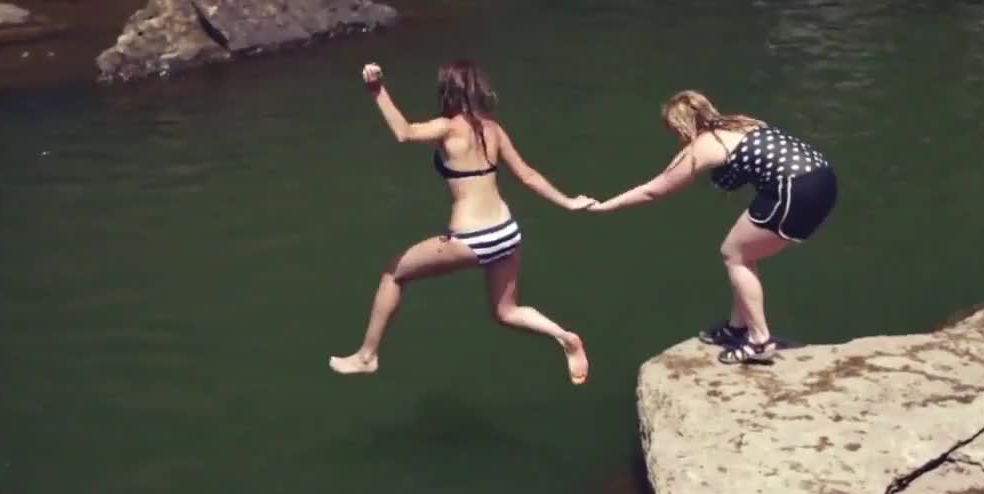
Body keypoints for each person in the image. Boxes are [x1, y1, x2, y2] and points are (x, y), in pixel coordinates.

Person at [329, 60, 595, 384]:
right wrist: (567, 201)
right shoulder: (493, 129)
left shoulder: (447, 127)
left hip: (472, 238)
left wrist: (377, 91)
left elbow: (404, 133)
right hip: (507, 232)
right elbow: (527, 175)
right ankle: (563, 336)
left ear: (446, 92)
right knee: (506, 311)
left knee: (392, 274)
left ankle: (366, 356)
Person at [587, 90, 838, 364]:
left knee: (735, 254)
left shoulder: (704, 145)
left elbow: (654, 190)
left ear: (682, 126)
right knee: (741, 253)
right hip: (822, 178)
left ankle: (759, 340)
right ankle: (737, 327)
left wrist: (604, 205)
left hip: (793, 189)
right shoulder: (743, 123)